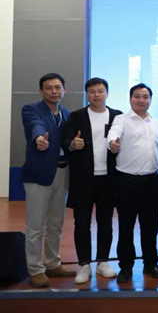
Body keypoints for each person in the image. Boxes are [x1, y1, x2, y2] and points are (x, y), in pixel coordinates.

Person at [62, 77, 122, 284]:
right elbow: (65, 140)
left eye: (100, 91)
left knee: (106, 223)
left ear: (107, 93)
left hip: (109, 179)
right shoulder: (76, 116)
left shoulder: (117, 116)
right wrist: (72, 144)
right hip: (83, 180)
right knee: (81, 223)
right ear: (87, 94)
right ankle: (84, 264)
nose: (96, 95)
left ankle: (103, 262)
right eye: (92, 91)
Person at [107, 83, 158, 283]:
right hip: (127, 182)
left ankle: (151, 264)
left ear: (150, 100)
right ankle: (126, 267)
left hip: (152, 182)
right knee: (126, 227)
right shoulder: (121, 120)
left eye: (145, 97)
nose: (141, 100)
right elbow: (113, 136)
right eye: (137, 96)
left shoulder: (156, 124)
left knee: (150, 227)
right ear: (130, 98)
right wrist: (113, 143)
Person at [21, 73, 74, 287]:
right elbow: (35, 125)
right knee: (35, 226)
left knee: (56, 223)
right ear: (41, 91)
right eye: (49, 88)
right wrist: (39, 139)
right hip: (39, 174)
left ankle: (53, 264)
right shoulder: (31, 109)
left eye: (58, 87)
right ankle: (35, 269)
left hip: (62, 172)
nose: (54, 92)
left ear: (64, 90)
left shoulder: (67, 113)